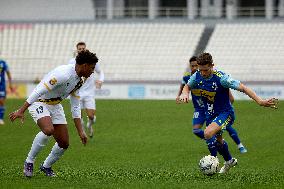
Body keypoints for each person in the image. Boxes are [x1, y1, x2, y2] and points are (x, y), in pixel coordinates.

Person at [181, 52, 278, 173]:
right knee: (218, 141)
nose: (203, 73)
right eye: (201, 70)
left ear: (212, 65)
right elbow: (187, 86)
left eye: (205, 70)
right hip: (211, 114)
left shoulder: (222, 78)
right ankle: (229, 161)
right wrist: (185, 93)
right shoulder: (197, 75)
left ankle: (215, 162)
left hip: (225, 113)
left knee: (207, 133)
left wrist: (260, 101)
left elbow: (243, 87)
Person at [9, 50, 98, 177]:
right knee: (48, 130)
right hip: (39, 102)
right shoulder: (63, 74)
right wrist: (21, 110)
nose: (93, 71)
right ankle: (29, 161)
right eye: (92, 68)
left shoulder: (79, 81)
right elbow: (39, 91)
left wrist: (80, 131)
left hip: (55, 105)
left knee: (64, 143)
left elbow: (75, 106)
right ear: (84, 66)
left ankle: (46, 166)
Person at [176, 56, 247, 154]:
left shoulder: (217, 78)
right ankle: (215, 144)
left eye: (196, 66)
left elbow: (231, 95)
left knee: (226, 127)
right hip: (201, 109)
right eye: (192, 66)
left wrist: (226, 107)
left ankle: (239, 145)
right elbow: (185, 86)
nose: (195, 68)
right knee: (197, 131)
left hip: (218, 109)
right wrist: (182, 94)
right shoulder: (190, 77)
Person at [69, 42, 104, 138]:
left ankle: (90, 124)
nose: (81, 50)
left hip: (89, 93)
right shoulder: (72, 61)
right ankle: (83, 131)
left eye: (83, 48)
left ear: (85, 49)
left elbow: (100, 72)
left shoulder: (91, 60)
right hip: (77, 92)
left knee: (91, 116)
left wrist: (100, 80)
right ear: (77, 50)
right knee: (78, 115)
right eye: (79, 48)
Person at [0, 57, 13, 125]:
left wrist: (10, 84)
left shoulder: (3, 63)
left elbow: (8, 73)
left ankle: (1, 119)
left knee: (1, 101)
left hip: (1, 86)